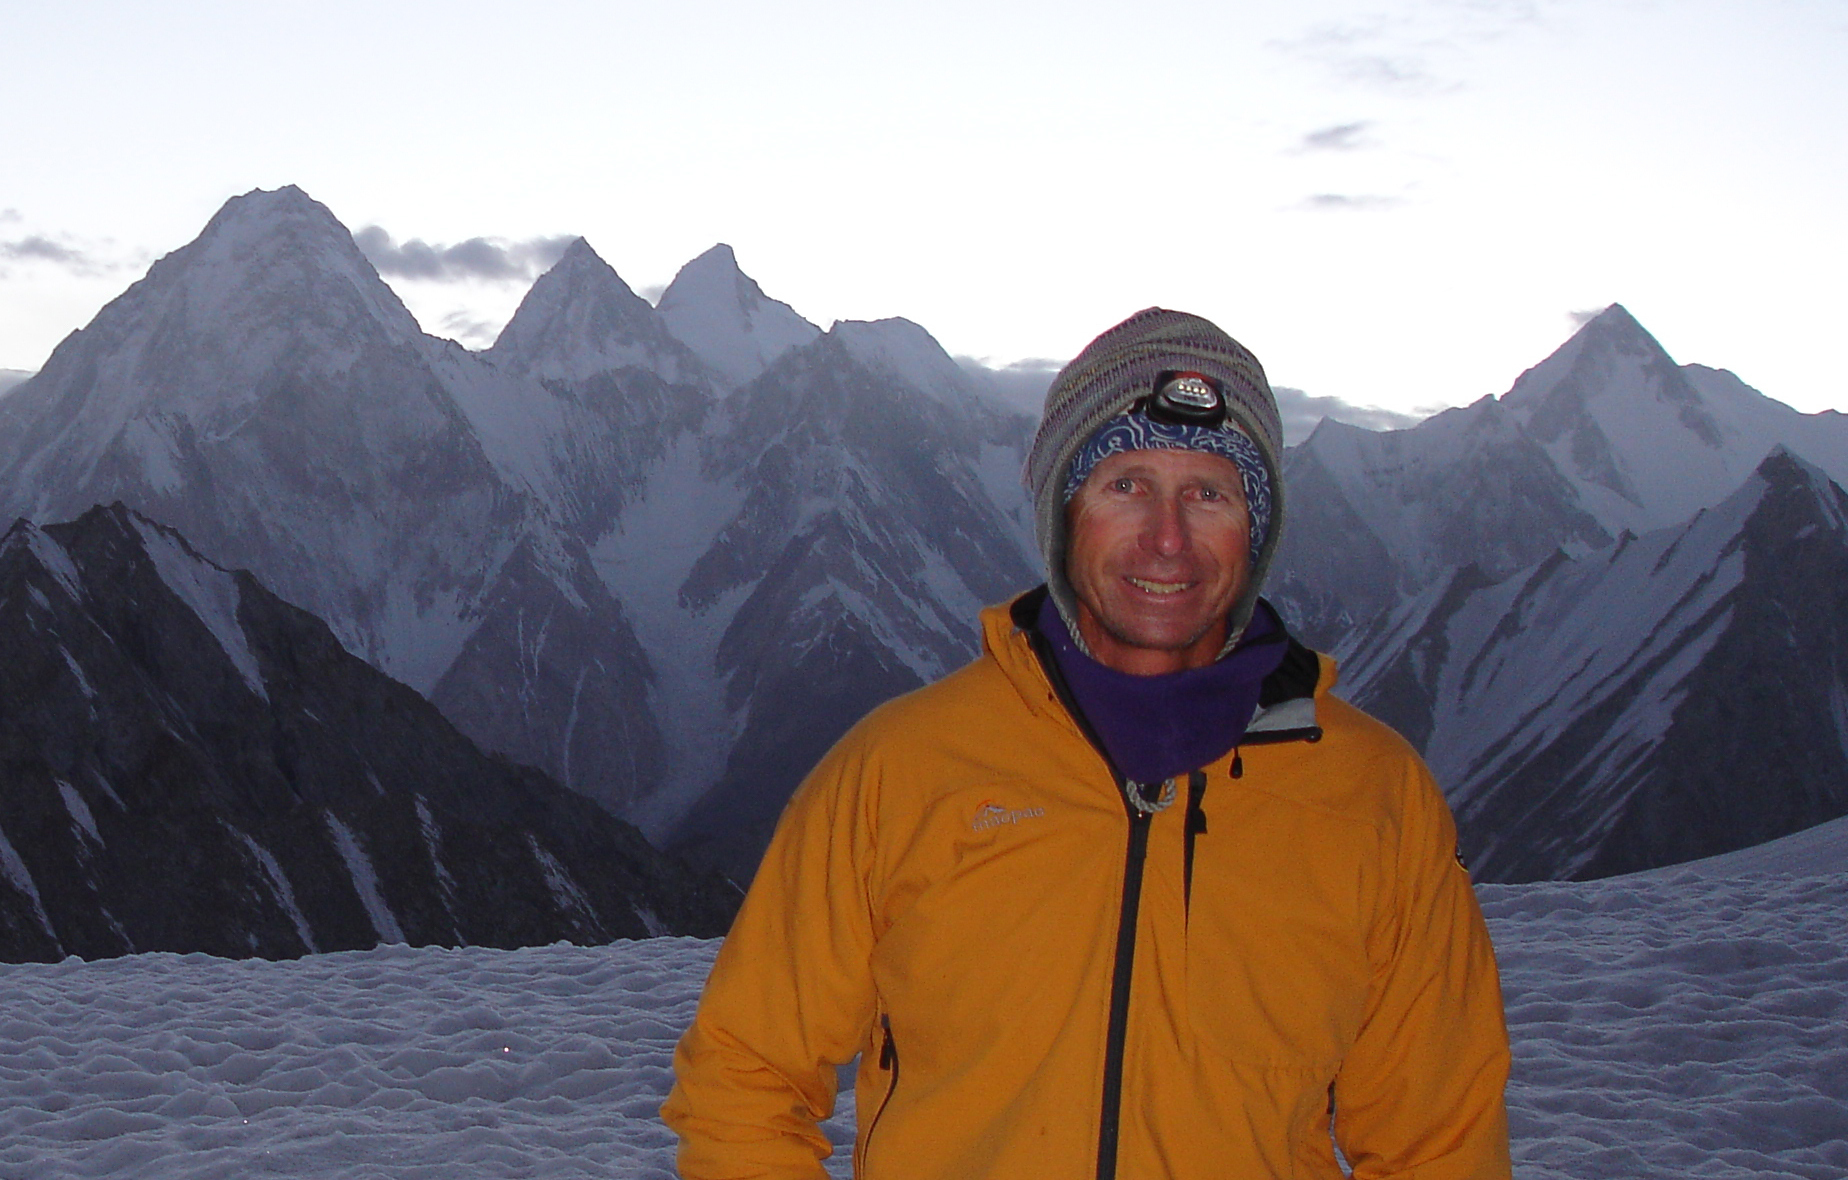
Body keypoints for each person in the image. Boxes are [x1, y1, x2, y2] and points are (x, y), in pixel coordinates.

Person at [662, 308, 1512, 1179]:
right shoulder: (901, 773)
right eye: (1126, 485)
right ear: (1062, 516)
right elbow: (745, 1075)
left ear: (1255, 533)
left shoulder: (1373, 799)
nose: (1168, 538)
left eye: (1210, 493)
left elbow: (1440, 1144)